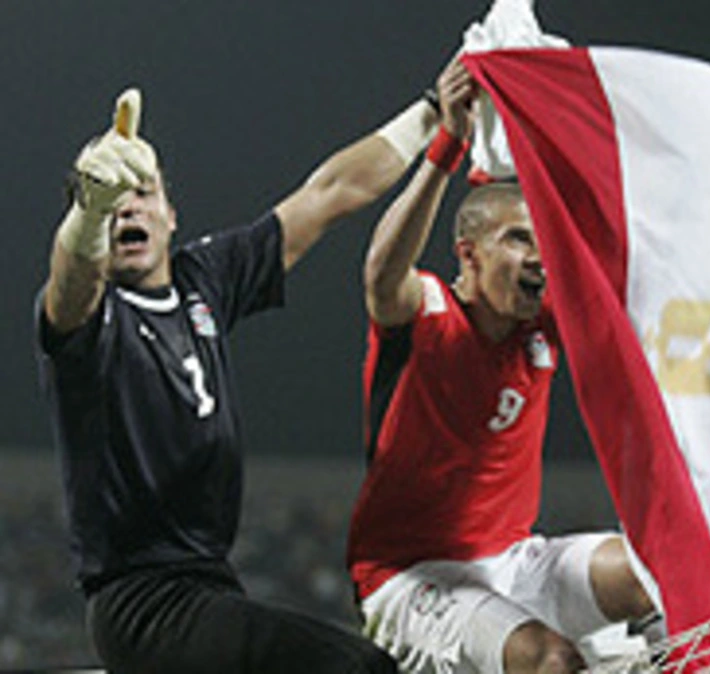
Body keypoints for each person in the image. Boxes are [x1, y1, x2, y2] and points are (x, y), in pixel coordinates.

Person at [34, 55, 457, 673]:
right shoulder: (92, 320)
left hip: (209, 587)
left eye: (142, 192)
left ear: (171, 216)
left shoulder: (202, 279)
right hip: (143, 603)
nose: (127, 208)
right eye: (108, 198)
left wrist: (432, 113)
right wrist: (86, 215)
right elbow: (71, 282)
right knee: (357, 667)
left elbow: (330, 194)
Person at [347, 60, 657, 674]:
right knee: (552, 662)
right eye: (518, 239)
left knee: (660, 570)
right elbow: (381, 271)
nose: (540, 258)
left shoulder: (541, 325)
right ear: (469, 253)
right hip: (409, 577)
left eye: (543, 242)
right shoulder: (427, 313)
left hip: (515, 563)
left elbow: (616, 248)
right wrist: (447, 146)